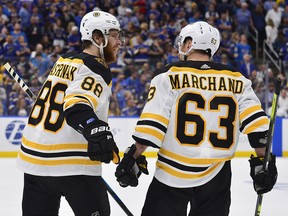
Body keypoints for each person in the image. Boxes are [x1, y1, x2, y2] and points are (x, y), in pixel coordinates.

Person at [115, 21, 278, 216]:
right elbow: (257, 128)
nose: (179, 49)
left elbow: (151, 127)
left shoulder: (168, 75)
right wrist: (264, 164)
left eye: (182, 43)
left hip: (171, 174)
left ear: (189, 44)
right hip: (217, 176)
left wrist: (133, 156)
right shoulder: (238, 79)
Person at [17, 11, 124, 216]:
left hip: (33, 163)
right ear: (97, 38)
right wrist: (95, 127)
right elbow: (77, 104)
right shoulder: (96, 67)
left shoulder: (64, 60)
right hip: (72, 167)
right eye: (114, 35)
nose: (119, 41)